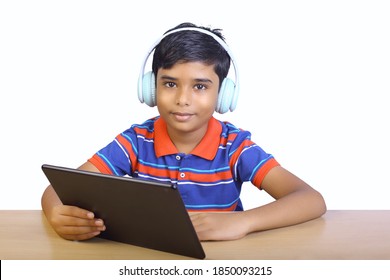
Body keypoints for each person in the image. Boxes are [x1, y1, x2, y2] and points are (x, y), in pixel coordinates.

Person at [41, 22, 326, 242]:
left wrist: (244, 222)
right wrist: (56, 211)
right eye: (169, 84)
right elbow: (60, 188)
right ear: (151, 89)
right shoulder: (136, 142)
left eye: (200, 86)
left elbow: (310, 199)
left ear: (224, 94)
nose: (183, 99)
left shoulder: (235, 147)